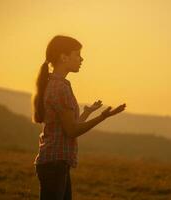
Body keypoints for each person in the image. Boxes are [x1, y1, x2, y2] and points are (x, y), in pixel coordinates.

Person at [32, 35, 126, 200]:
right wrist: (103, 117)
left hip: (55, 163)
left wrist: (88, 112)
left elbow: (68, 126)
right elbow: (72, 131)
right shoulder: (60, 88)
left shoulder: (54, 84)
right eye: (77, 54)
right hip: (55, 164)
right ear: (63, 57)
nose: (81, 59)